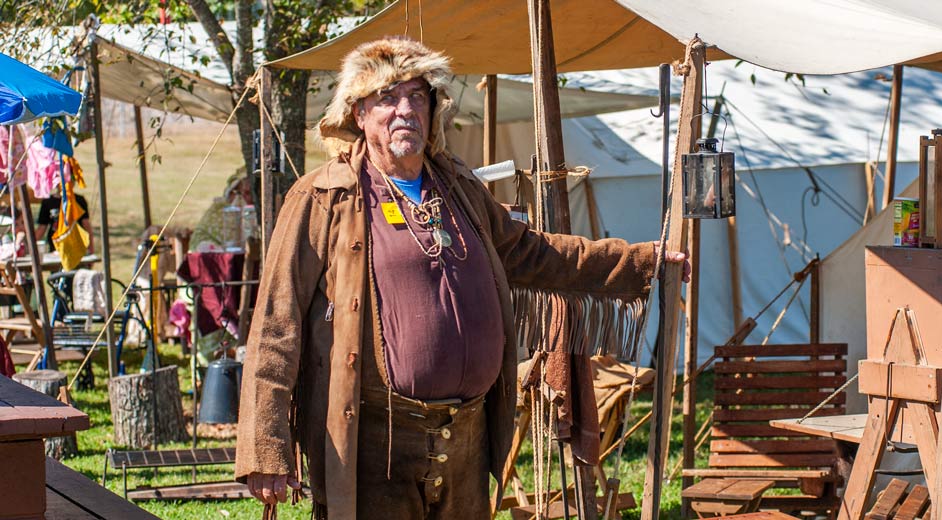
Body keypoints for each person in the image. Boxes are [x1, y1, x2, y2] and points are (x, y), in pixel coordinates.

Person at [234, 37, 690, 519]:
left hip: (467, 444)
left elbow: (537, 254)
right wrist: (265, 447)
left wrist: (642, 261)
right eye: (387, 99)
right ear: (359, 114)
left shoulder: (459, 187)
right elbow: (274, 325)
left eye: (416, 96)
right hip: (375, 449)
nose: (404, 110)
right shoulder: (323, 198)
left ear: (434, 110)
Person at [35, 176, 93, 254]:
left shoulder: (79, 200)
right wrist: (31, 246)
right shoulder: (48, 202)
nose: (66, 183)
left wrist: (91, 248)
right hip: (56, 248)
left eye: (70, 179)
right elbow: (42, 228)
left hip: (77, 247)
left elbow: (86, 225)